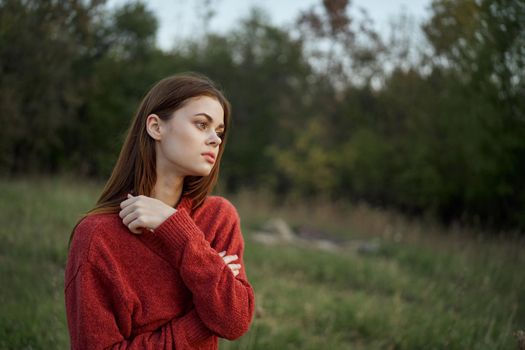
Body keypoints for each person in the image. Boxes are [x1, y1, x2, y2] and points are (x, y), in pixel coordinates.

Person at [64, 73, 255, 349]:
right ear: (156, 127)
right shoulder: (97, 236)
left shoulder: (219, 217)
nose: (215, 139)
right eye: (202, 124)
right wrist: (203, 316)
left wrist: (175, 227)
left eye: (220, 132)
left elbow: (234, 321)